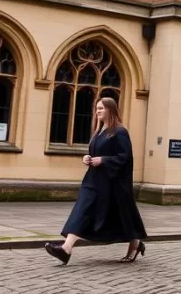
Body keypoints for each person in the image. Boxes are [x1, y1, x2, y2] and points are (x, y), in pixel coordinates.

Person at [45, 97, 147, 264]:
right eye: (97, 108)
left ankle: (135, 244)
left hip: (112, 184)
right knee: (82, 209)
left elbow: (125, 157)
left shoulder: (120, 132)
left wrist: (104, 160)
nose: (97, 111)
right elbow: (95, 153)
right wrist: (87, 158)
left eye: (101, 108)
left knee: (123, 216)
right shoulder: (98, 132)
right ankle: (66, 248)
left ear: (111, 110)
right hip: (93, 180)